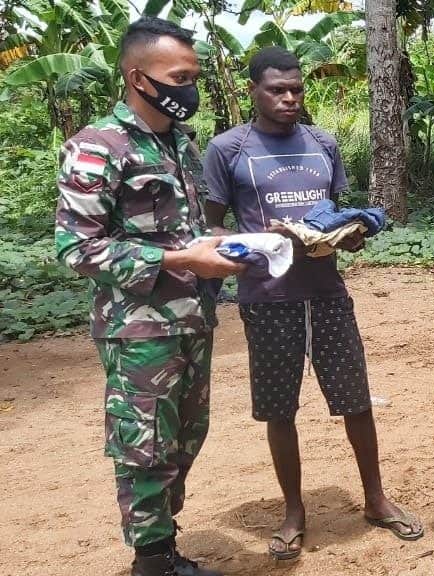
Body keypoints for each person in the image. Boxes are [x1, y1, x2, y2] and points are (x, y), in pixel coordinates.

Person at [202, 46, 422, 561]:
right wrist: (255, 241)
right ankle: (294, 511)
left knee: (356, 398)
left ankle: (375, 498)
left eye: (296, 89)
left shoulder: (323, 143)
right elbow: (212, 228)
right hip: (266, 297)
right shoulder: (228, 150)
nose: (289, 98)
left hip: (326, 293)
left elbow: (338, 216)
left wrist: (349, 234)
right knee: (280, 408)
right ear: (253, 90)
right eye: (277, 89)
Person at [53, 17, 243, 576]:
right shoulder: (98, 147)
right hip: (138, 329)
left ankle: (166, 543)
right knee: (146, 445)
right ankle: (154, 560)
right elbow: (78, 249)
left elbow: (176, 233)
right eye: (179, 76)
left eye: (194, 75)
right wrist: (184, 259)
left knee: (187, 435)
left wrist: (217, 245)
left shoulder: (179, 144)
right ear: (139, 77)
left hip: (190, 319)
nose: (191, 87)